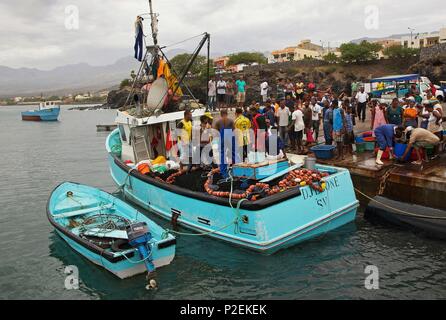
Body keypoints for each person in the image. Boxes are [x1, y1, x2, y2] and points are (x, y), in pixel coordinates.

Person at [213, 109, 235, 177]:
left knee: (222, 154)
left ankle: (223, 171)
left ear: (221, 114)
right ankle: (236, 169)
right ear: (227, 113)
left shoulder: (218, 122)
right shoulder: (231, 121)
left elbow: (215, 132)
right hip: (230, 136)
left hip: (222, 137)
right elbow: (234, 129)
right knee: (233, 153)